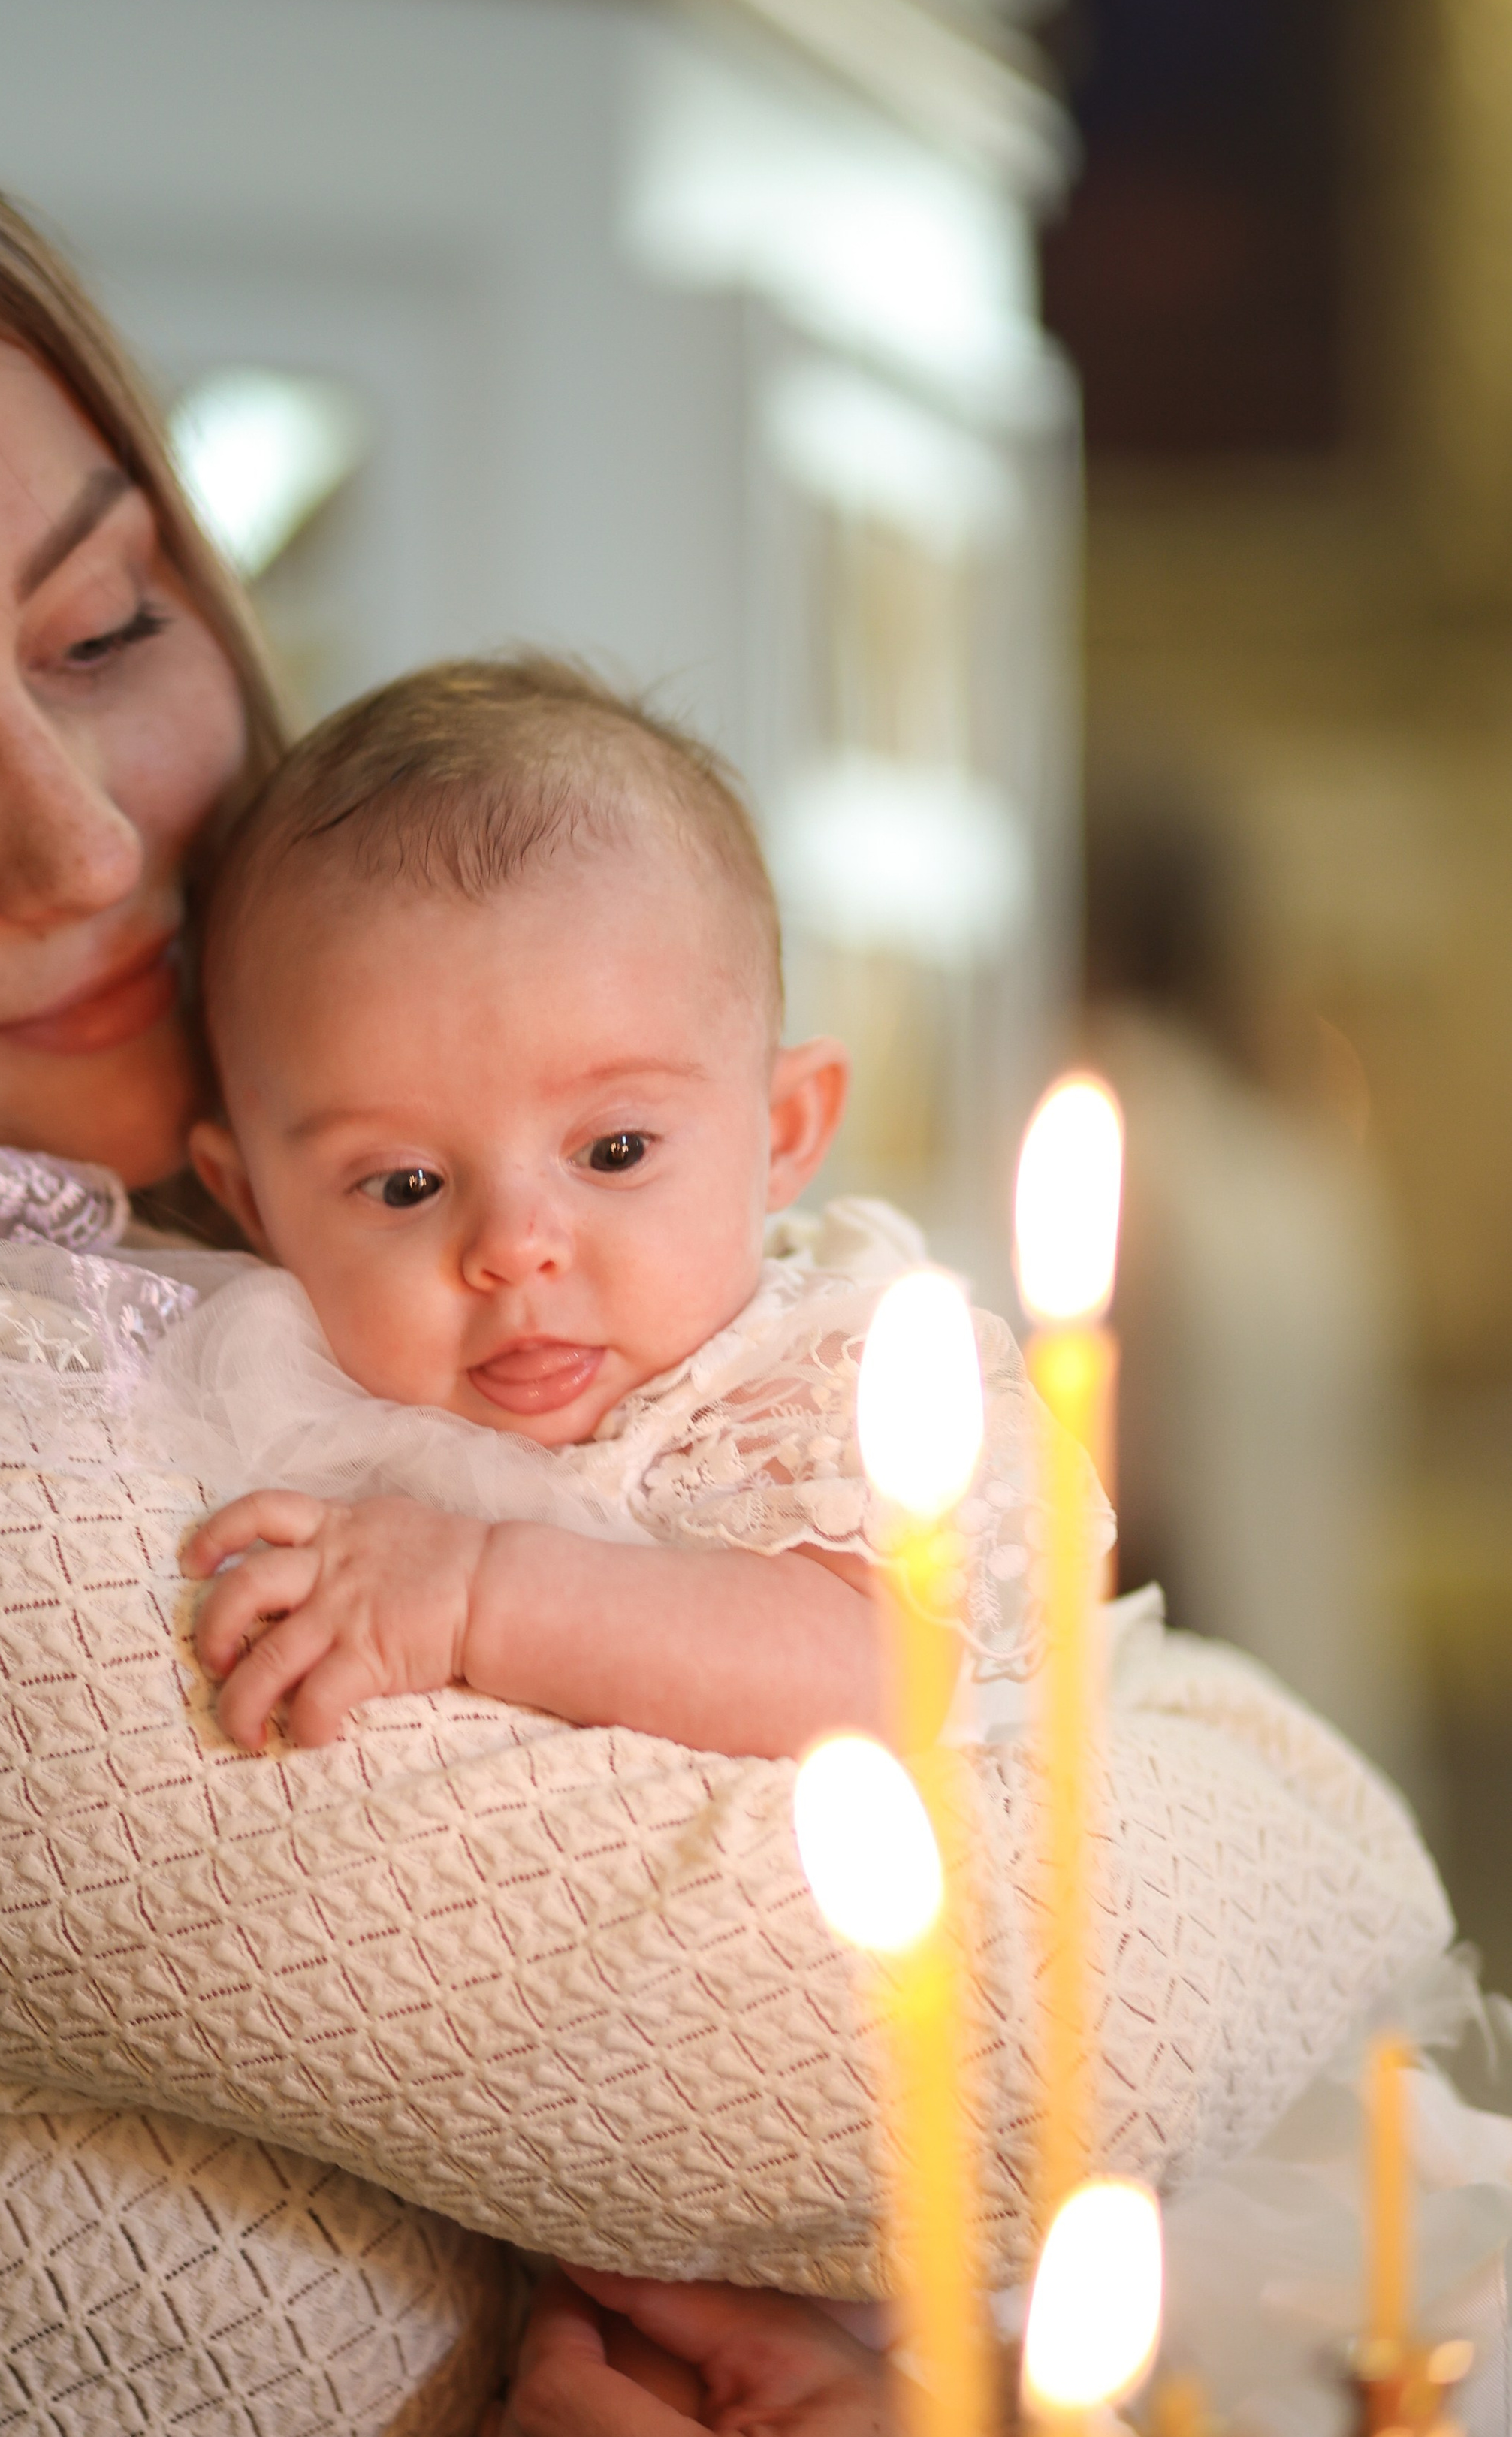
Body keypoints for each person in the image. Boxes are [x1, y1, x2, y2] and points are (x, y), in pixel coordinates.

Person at [0, 80, 1462, 2437]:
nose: (90, 841)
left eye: (108, 628)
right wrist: (1295, 1781)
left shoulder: (206, 1288)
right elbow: (1027, 2047)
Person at [168, 655, 1080, 1761]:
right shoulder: (260, 1387)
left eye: (614, 1151)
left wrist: (477, 1594)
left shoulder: (806, 1389)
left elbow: (877, 1682)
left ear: (786, 1132)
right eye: (407, 1185)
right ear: (250, 1200)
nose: (514, 1249)